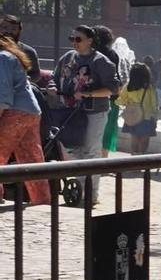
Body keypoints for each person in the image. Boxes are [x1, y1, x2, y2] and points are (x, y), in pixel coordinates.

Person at [52, 24, 120, 206]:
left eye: (78, 39)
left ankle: (90, 194)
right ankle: (80, 188)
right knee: (72, 149)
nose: (74, 42)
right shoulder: (67, 57)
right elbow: (54, 76)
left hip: (94, 112)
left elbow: (114, 89)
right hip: (69, 111)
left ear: (90, 41)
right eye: (72, 39)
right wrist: (52, 87)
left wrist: (88, 94)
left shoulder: (101, 61)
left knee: (91, 151)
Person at [0, 29, 50, 205]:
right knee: (32, 158)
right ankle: (42, 200)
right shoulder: (10, 56)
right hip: (30, 111)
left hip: (14, 112)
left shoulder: (2, 58)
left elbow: (3, 94)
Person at [118, 62, 161, 154]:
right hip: (146, 118)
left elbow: (119, 101)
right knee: (144, 141)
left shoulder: (128, 87)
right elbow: (154, 105)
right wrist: (155, 117)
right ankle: (141, 158)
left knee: (134, 139)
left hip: (132, 117)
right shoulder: (149, 88)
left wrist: (128, 102)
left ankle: (134, 158)